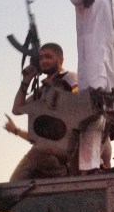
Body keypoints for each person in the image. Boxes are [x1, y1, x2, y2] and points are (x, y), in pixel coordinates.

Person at [71, 0, 114, 173]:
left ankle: (101, 162)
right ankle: (88, 166)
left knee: (109, 115)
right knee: (93, 114)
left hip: (111, 61)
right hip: (93, 60)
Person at [5, 42, 79, 180]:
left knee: (38, 151)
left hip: (67, 143)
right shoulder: (42, 90)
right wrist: (27, 80)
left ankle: (65, 176)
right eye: (41, 58)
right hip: (45, 148)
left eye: (48, 57)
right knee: (15, 183)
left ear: (60, 59)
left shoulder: (69, 78)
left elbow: (78, 98)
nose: (43, 61)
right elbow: (17, 109)